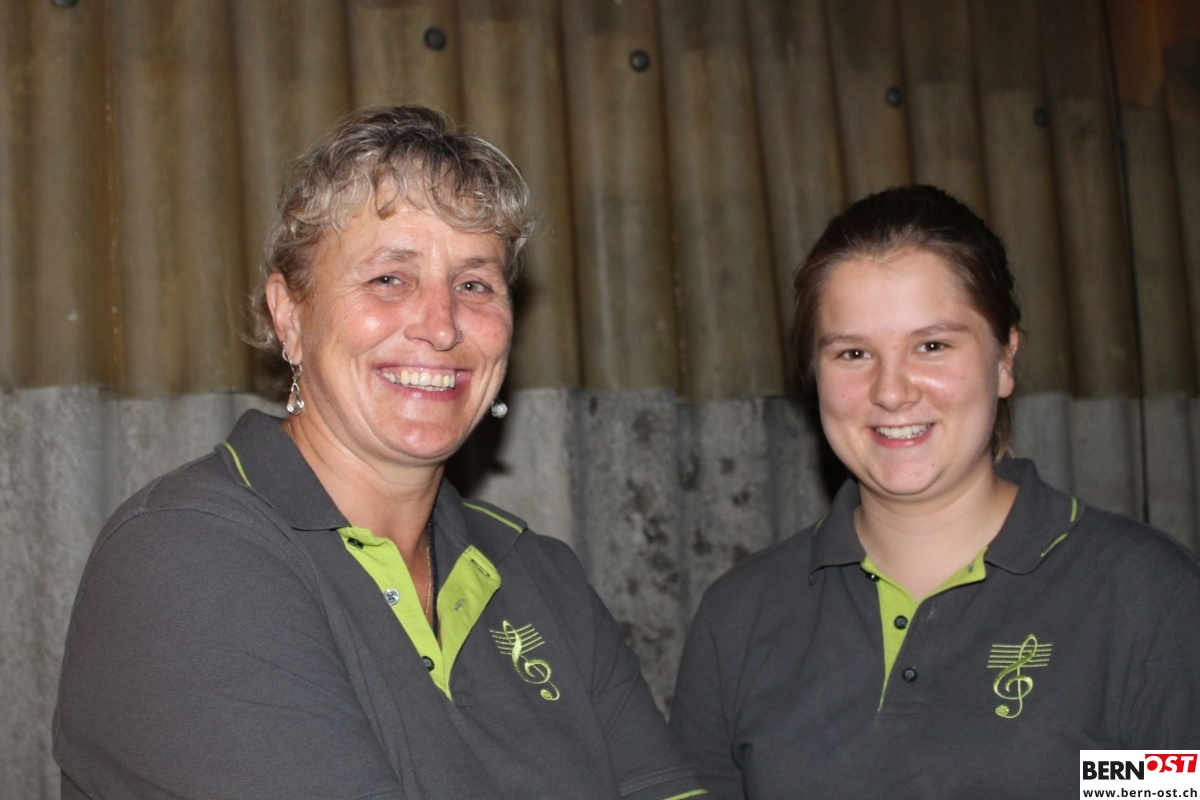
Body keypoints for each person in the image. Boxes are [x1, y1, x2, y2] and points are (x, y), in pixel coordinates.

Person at [54, 105, 706, 800]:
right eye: (390, 278)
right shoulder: (184, 554)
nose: (442, 326)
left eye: (475, 284)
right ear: (289, 316)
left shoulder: (542, 575)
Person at [669, 185, 1200, 798]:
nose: (891, 392)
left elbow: (1168, 787)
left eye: (932, 346)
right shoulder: (741, 616)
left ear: (1005, 359)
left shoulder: (1146, 597)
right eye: (853, 353)